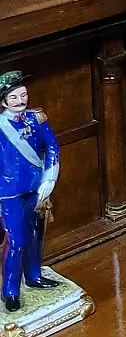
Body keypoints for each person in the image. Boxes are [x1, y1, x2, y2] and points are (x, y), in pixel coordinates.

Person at [0, 71, 60, 312]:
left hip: (36, 187)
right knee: (16, 240)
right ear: (4, 101)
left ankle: (34, 276)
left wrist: (50, 177)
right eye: (13, 97)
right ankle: (10, 291)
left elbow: (52, 146)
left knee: (35, 233)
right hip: (8, 193)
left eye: (23, 95)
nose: (20, 101)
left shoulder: (36, 119)